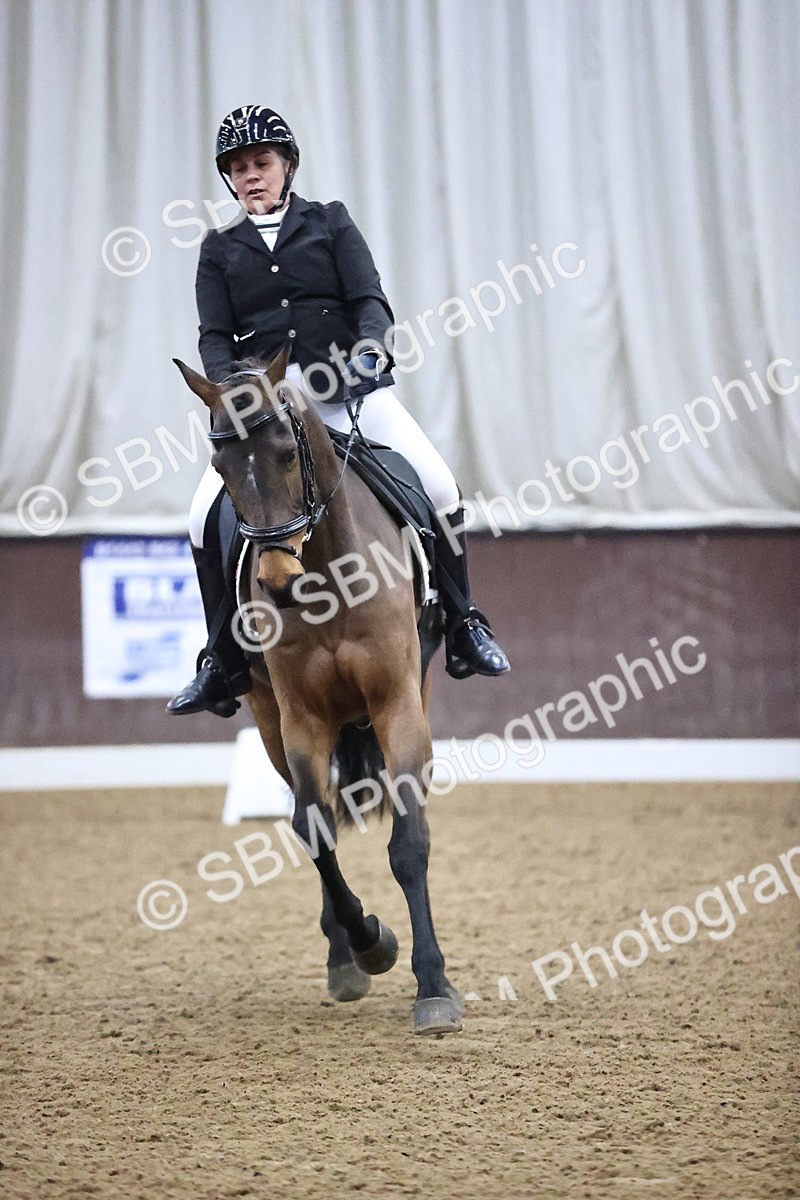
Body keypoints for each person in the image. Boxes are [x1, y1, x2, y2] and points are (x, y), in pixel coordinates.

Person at [168, 105, 509, 718]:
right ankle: (221, 659)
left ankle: (464, 624)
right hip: (267, 409)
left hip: (348, 391)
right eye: (239, 168)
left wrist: (372, 348)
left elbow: (369, 300)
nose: (251, 175)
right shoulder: (219, 249)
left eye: (262, 162)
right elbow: (215, 337)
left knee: (440, 486)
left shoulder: (330, 222)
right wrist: (233, 388)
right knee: (200, 519)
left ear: (287, 166)